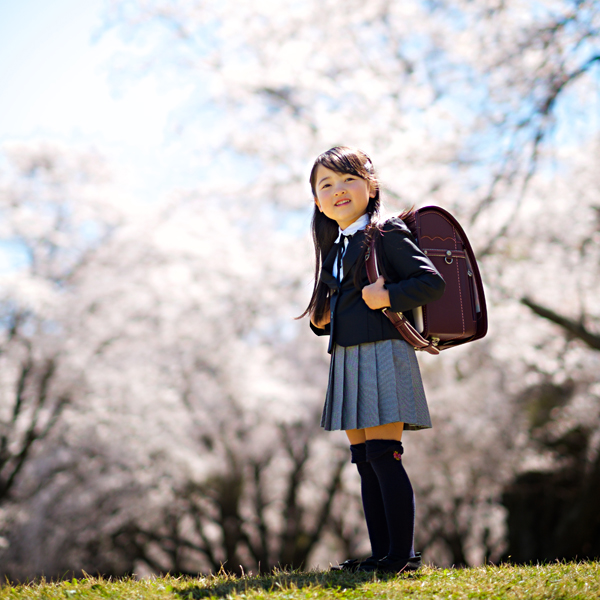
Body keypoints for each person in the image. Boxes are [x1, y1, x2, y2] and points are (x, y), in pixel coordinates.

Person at [300, 146, 446, 573]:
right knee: (365, 461)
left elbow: (430, 283)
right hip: (346, 358)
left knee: (384, 454)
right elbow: (337, 312)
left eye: (347, 179)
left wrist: (388, 296)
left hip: (384, 353)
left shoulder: (387, 233)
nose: (337, 190)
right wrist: (320, 320)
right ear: (315, 200)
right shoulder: (336, 247)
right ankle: (383, 555)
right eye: (325, 184)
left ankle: (402, 556)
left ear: (370, 185)